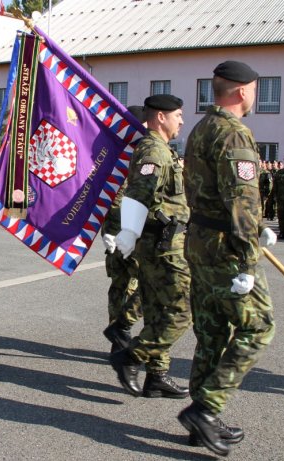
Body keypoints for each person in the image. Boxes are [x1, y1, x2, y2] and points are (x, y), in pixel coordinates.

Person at [180, 61, 277, 456]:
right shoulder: (234, 134)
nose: (254, 96)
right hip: (226, 248)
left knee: (212, 332)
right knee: (259, 328)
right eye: (255, 89)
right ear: (241, 92)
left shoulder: (201, 128)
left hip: (201, 240)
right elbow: (242, 200)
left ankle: (201, 424)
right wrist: (250, 257)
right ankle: (205, 409)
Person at [110, 95, 192, 400]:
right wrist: (128, 231)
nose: (181, 120)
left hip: (161, 241)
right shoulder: (154, 149)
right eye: (178, 115)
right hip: (164, 245)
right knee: (182, 310)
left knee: (158, 311)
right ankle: (131, 356)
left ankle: (157, 376)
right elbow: (139, 191)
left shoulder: (162, 149)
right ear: (160, 117)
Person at [101, 105, 145, 356]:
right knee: (132, 286)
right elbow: (110, 199)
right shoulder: (126, 157)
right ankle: (120, 334)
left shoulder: (129, 155)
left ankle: (119, 334)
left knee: (124, 287)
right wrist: (108, 231)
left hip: (125, 233)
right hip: (126, 235)